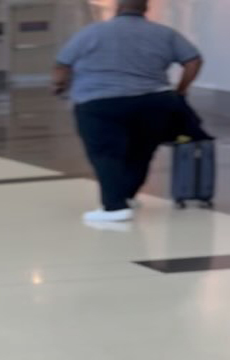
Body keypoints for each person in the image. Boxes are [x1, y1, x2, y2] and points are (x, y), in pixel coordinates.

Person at [53, 0, 203, 223]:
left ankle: (114, 207)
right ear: (145, 9)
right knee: (141, 151)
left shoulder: (91, 32)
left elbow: (62, 65)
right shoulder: (164, 33)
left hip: (99, 103)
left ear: (118, 8)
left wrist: (59, 85)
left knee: (106, 153)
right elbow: (193, 61)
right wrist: (181, 90)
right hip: (153, 102)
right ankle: (126, 195)